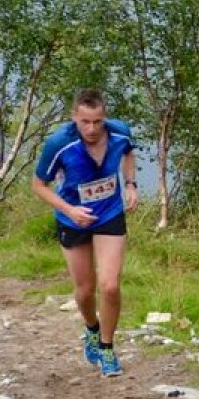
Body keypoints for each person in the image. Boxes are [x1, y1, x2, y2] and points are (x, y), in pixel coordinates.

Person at [32, 89, 139, 377]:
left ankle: (106, 348)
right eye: (85, 122)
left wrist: (130, 184)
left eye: (97, 121)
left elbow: (129, 152)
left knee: (110, 285)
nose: (91, 129)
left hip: (109, 214)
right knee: (85, 289)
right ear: (74, 118)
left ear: (105, 117)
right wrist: (69, 210)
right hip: (73, 219)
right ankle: (91, 328)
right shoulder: (59, 143)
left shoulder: (120, 133)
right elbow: (38, 185)